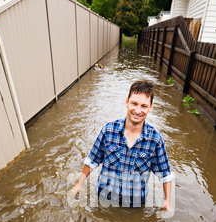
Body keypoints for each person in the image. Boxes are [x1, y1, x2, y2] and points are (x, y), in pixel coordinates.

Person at [72, 80, 173, 209]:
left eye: (144, 106)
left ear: (151, 107)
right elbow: (92, 160)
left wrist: (167, 201)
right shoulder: (108, 130)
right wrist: (79, 184)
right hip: (104, 199)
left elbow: (165, 174)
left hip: (134, 206)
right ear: (127, 102)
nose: (137, 110)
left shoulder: (155, 140)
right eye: (134, 104)